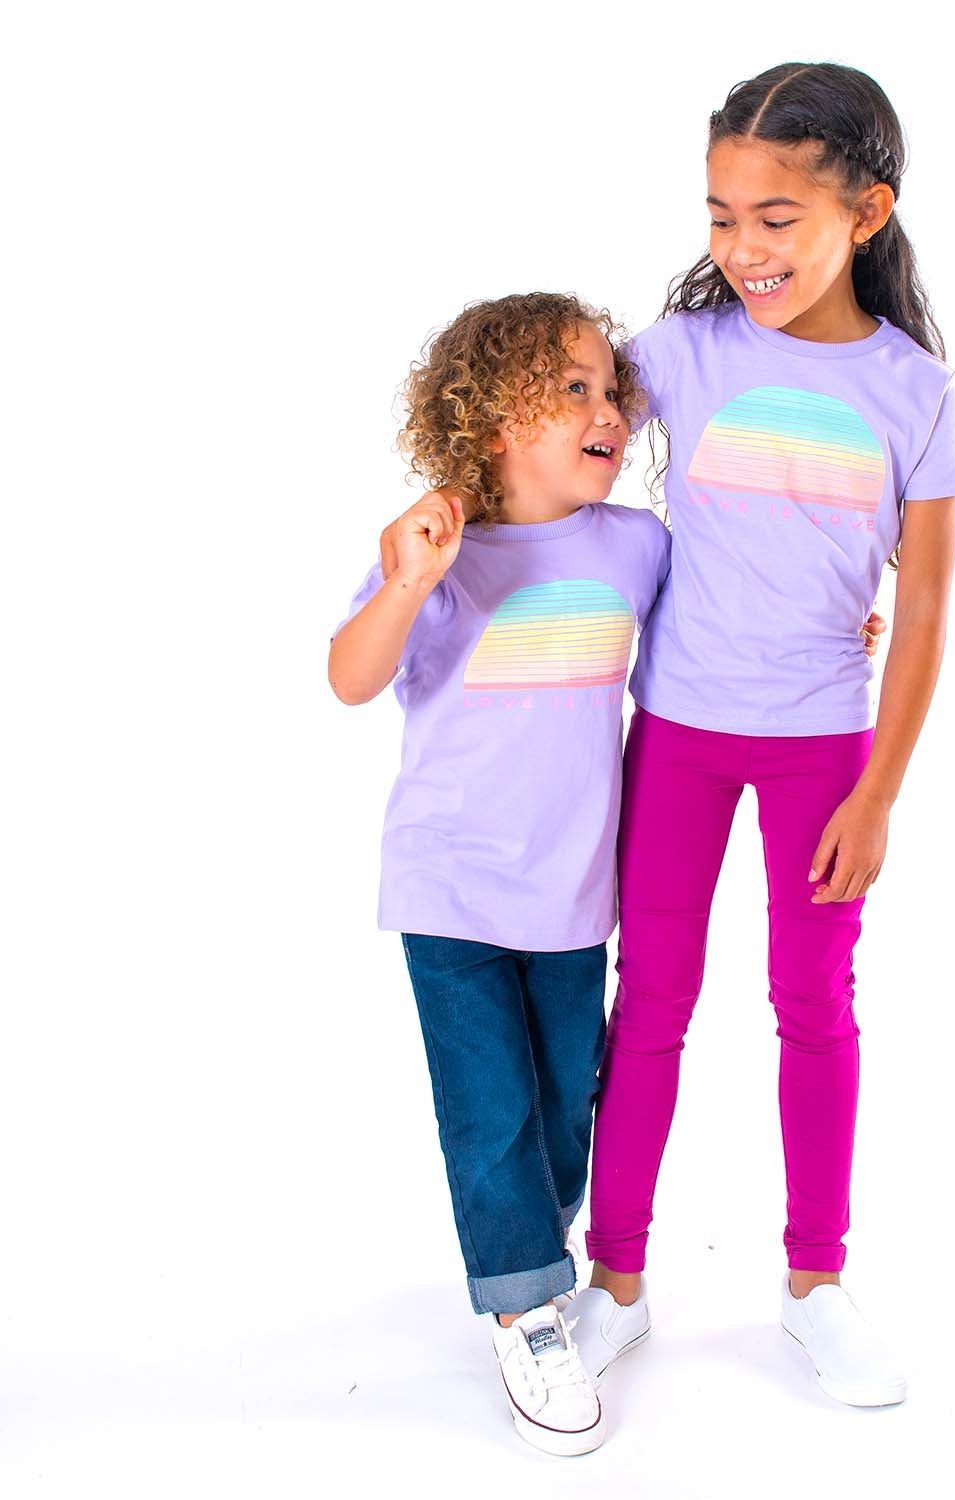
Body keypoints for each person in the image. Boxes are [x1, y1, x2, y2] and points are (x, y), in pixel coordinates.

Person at [570, 63, 955, 1410]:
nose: (742, 248)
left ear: (866, 212)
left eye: (777, 219)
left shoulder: (916, 393)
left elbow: (921, 612)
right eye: (721, 214)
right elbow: (564, 458)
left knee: (815, 1009)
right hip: (678, 734)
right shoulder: (682, 355)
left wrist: (878, 793)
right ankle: (616, 1281)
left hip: (823, 753)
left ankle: (818, 1286)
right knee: (653, 1009)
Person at [327, 292, 669, 1457]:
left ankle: (534, 1250)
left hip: (576, 897)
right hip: (452, 890)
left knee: (564, 1105)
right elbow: (350, 676)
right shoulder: (440, 546)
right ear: (489, 416)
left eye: (611, 389)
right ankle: (523, 1306)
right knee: (489, 1115)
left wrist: (835, 634)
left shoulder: (638, 547)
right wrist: (410, 581)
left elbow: (701, 655)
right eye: (570, 387)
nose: (605, 409)